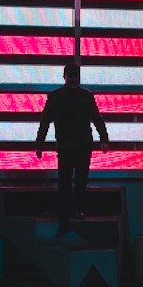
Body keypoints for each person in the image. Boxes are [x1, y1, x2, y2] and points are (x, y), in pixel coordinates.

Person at [35, 63, 109, 233]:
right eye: (72, 76)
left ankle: (66, 216)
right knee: (76, 181)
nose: (73, 80)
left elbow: (45, 122)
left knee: (68, 182)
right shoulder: (85, 96)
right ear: (67, 77)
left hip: (69, 145)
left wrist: (39, 144)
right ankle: (75, 211)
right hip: (80, 144)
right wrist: (103, 139)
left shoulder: (56, 97)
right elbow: (97, 119)